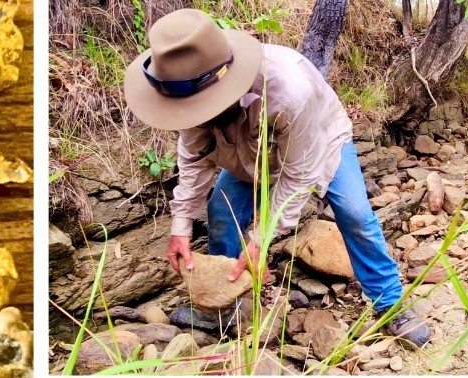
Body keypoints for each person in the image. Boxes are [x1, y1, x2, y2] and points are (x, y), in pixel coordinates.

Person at [122, 9, 431, 347]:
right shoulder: (188, 95)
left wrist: (260, 241)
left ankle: (390, 305)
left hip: (319, 143)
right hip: (248, 154)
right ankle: (223, 304)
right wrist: (180, 227)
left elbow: (299, 176)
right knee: (222, 214)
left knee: (355, 215)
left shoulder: (289, 90)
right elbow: (194, 162)